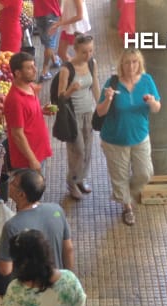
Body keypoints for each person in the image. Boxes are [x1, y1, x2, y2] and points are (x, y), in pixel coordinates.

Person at [96, 48, 161, 226]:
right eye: (127, 62)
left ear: (140, 64)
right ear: (121, 65)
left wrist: (152, 102)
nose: (131, 66)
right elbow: (100, 112)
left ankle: (126, 194)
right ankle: (127, 207)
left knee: (145, 173)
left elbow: (157, 108)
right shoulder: (113, 83)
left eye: (135, 62)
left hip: (140, 136)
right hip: (114, 139)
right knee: (120, 176)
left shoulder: (147, 81)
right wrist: (108, 99)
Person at [54, 33, 100, 199]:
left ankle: (81, 178)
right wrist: (71, 90)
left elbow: (95, 86)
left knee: (88, 149)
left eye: (91, 51)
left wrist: (100, 106)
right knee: (77, 150)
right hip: (72, 116)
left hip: (88, 112)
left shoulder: (92, 63)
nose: (88, 55)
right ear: (75, 50)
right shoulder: (66, 69)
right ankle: (72, 181)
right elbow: (61, 96)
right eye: (84, 52)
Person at [4, 52, 52, 174]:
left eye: (34, 66)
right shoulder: (15, 100)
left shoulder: (29, 86)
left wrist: (40, 110)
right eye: (29, 68)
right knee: (33, 191)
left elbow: (26, 114)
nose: (35, 70)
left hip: (39, 151)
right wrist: (32, 160)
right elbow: (17, 134)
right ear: (18, 73)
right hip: (27, 161)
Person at [33, 0, 62, 81]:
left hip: (38, 13)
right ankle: (45, 71)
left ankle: (54, 59)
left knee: (47, 40)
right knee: (49, 43)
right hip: (52, 12)